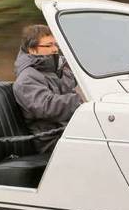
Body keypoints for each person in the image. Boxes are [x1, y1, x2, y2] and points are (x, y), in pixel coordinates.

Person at [13, 24, 82, 153]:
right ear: (32, 50)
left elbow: (77, 82)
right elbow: (46, 106)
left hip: (70, 128)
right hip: (52, 139)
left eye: (56, 44)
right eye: (49, 45)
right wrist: (80, 101)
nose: (55, 49)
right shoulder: (27, 78)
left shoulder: (57, 69)